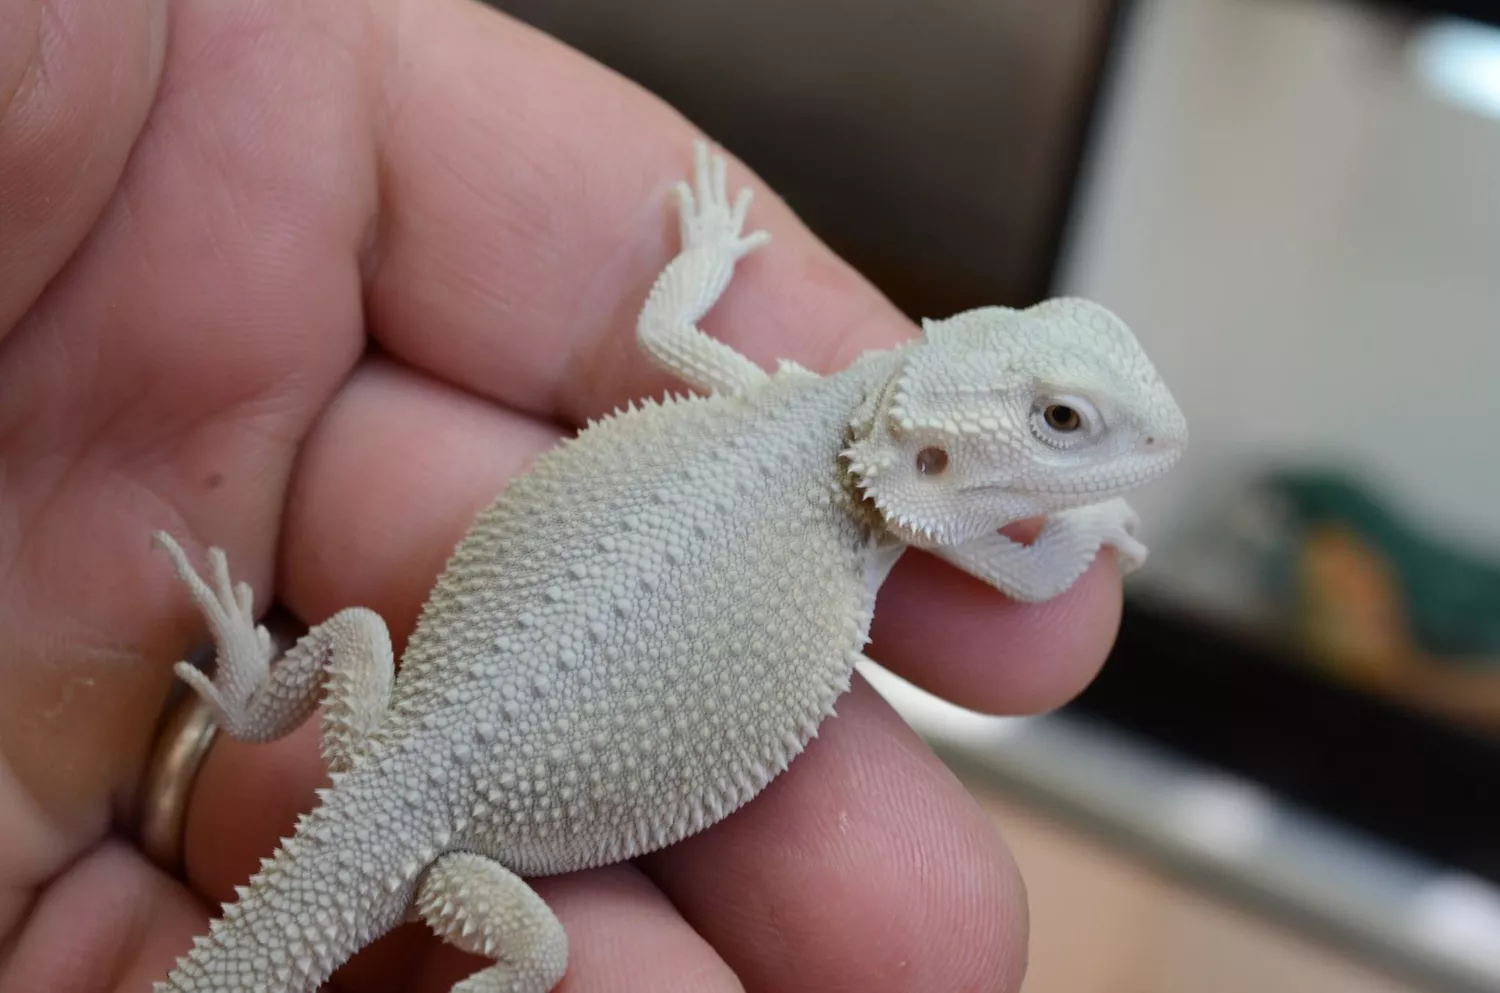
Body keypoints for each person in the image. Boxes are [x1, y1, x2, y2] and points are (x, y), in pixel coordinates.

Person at [0, 1, 1126, 989]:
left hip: (392, 757)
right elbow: (1037, 567)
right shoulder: (856, 460)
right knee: (536, 954)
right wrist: (1087, 520)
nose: (1080, 450)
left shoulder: (795, 415)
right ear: (942, 433)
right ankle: (248, 709)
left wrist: (712, 251)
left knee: (356, 646)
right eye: (1063, 427)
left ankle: (253, 704)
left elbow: (664, 327)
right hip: (441, 842)